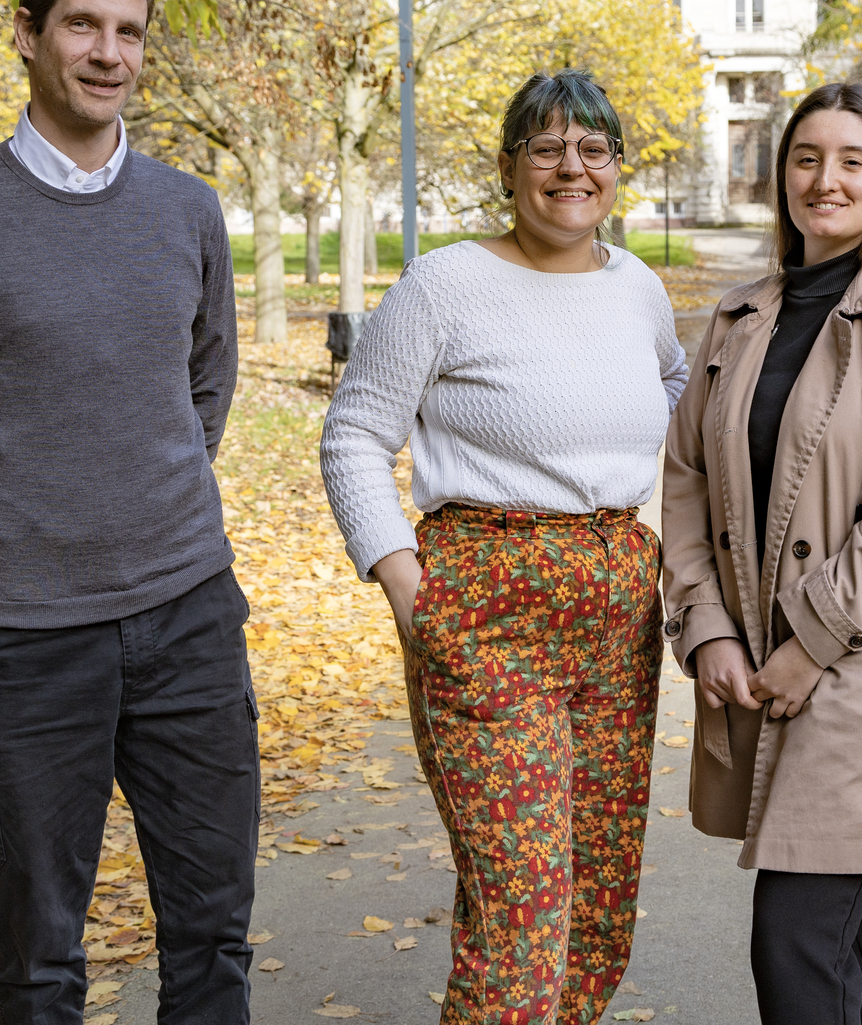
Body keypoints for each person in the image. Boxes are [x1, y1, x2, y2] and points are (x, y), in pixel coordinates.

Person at [0, 0, 256, 1025]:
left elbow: (205, 383)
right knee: (39, 957)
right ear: (30, 35)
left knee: (212, 934)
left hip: (188, 616)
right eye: (82, 25)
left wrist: (149, 505)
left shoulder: (185, 210)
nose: (107, 52)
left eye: (128, 32)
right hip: (24, 644)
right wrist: (5, 551)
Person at [319, 69, 686, 1025]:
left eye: (593, 148)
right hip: (486, 614)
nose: (573, 168)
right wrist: (409, 588)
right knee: (520, 908)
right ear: (509, 165)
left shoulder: (638, 289)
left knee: (600, 900)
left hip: (616, 616)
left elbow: (691, 419)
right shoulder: (446, 282)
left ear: (617, 167)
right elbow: (356, 432)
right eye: (548, 147)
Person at [660, 80, 862, 1025]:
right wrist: (708, 628)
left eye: (851, 160)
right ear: (780, 178)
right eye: (806, 159)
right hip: (760, 654)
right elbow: (684, 481)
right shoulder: (737, 317)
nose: (825, 180)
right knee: (845, 926)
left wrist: (811, 643)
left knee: (797, 931)